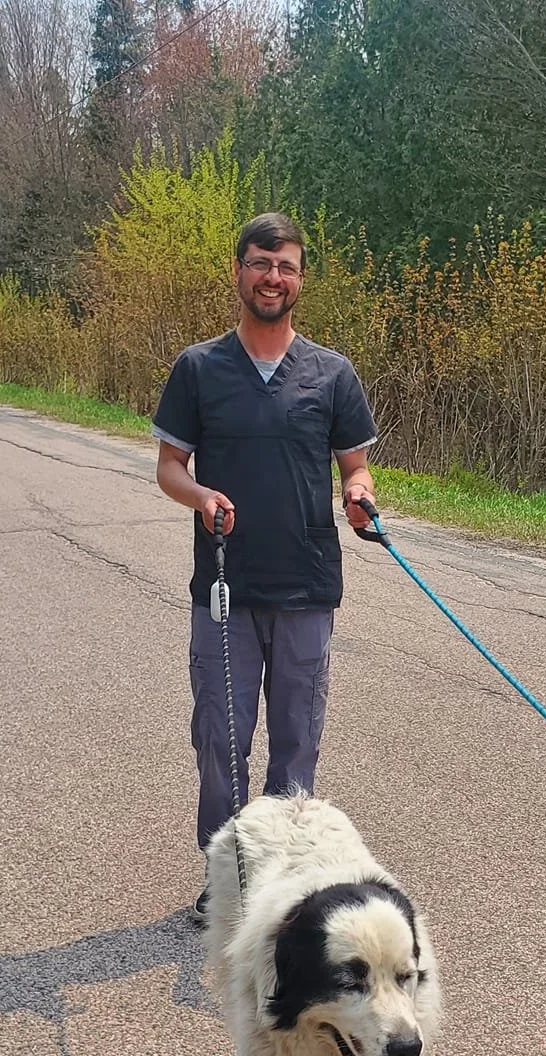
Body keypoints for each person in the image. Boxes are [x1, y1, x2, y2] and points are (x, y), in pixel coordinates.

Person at [152, 211, 381, 923]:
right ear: (239, 271)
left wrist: (358, 496)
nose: (272, 277)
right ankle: (227, 877)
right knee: (220, 739)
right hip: (225, 586)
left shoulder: (331, 373)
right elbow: (168, 467)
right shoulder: (198, 369)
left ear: (300, 278)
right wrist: (199, 495)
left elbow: (357, 466)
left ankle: (281, 882)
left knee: (295, 744)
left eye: (285, 267)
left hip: (308, 586)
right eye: (260, 263)